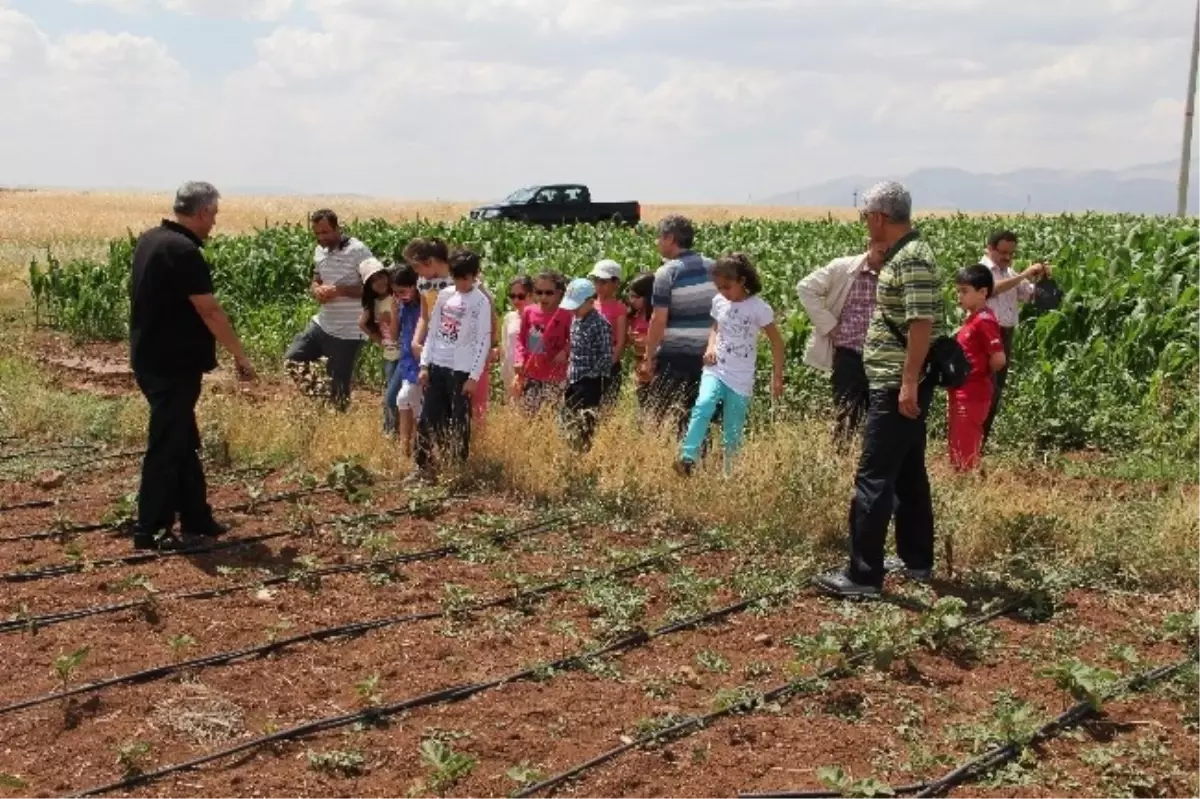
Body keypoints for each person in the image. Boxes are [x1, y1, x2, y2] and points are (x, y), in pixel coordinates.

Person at [814, 181, 943, 599]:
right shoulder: (905, 256)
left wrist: (907, 382)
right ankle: (916, 560)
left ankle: (863, 576)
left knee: (873, 478)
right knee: (907, 474)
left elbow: (921, 324)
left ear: (879, 217)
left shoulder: (912, 260)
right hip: (896, 383)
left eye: (866, 214)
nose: (865, 222)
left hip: (896, 387)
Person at [128, 181, 256, 551]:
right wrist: (240, 355)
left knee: (184, 438)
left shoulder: (151, 239)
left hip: (150, 357)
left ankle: (196, 516)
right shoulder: (184, 251)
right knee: (167, 445)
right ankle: (150, 530)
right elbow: (209, 310)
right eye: (213, 215)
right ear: (201, 213)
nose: (214, 223)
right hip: (172, 364)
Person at [676, 253, 784, 476]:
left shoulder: (758, 308)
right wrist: (710, 347)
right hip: (717, 368)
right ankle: (687, 458)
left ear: (742, 281)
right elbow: (716, 327)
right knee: (703, 404)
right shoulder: (719, 301)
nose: (723, 292)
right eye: (719, 287)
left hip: (741, 376)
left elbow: (777, 342)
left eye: (727, 287)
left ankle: (729, 474)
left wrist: (777, 376)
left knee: (732, 429)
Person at [796, 240, 888, 446]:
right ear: (869, 243)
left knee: (880, 421)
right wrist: (829, 326)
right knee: (846, 415)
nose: (885, 251)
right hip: (850, 354)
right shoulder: (843, 268)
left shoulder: (897, 276)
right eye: (881, 246)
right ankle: (841, 461)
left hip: (884, 358)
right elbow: (805, 288)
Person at [412, 250, 492, 482]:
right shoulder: (445, 295)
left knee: (459, 421)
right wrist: (425, 364)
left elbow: (483, 340)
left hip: (461, 370)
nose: (461, 283)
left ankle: (456, 470)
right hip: (438, 364)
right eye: (457, 278)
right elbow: (434, 331)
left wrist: (474, 376)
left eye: (466, 279)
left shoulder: (480, 302)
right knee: (429, 418)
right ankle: (423, 468)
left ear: (475, 276)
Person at [284, 209, 371, 411]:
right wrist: (317, 289)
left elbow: (374, 288)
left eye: (326, 232)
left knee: (339, 389)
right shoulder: (319, 251)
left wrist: (339, 290)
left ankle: (338, 425)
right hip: (322, 324)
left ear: (338, 229)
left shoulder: (358, 250)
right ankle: (320, 400)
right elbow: (316, 279)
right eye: (317, 233)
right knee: (293, 360)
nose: (321, 238)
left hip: (349, 331)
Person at [639, 215, 717, 439]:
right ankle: (697, 460)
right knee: (699, 413)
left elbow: (659, 319)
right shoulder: (713, 267)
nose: (656, 242)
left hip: (676, 355)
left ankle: (675, 460)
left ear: (670, 238)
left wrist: (649, 356)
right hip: (709, 354)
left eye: (659, 237)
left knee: (666, 412)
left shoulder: (667, 272)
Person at [981, 230, 1049, 443]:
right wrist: (1024, 274)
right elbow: (990, 289)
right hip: (985, 336)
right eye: (1003, 252)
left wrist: (1044, 279)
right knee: (984, 389)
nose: (1007, 257)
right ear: (990, 249)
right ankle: (972, 442)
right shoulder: (981, 270)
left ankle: (981, 440)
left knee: (996, 390)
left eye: (1011, 253)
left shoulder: (1009, 272)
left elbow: (1029, 295)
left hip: (1005, 335)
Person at [949, 265, 1006, 472]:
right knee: (958, 445)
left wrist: (978, 373)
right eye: (958, 291)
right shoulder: (972, 318)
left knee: (965, 450)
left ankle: (966, 486)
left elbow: (998, 359)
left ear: (982, 293)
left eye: (964, 291)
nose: (959, 296)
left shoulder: (984, 321)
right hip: (962, 390)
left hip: (973, 392)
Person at [559, 278, 613, 452]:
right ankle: (571, 450)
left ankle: (584, 453)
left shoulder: (600, 324)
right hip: (573, 378)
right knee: (568, 418)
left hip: (590, 382)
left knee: (586, 423)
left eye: (576, 306)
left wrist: (590, 376)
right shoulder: (576, 320)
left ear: (591, 301)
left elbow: (605, 355)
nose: (573, 310)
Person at [513, 271, 571, 414]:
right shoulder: (529, 312)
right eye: (539, 292)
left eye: (549, 293)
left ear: (559, 293)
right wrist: (519, 359)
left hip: (555, 376)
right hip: (531, 374)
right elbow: (521, 339)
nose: (543, 297)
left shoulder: (566, 314)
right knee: (529, 416)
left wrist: (565, 352)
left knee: (551, 416)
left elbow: (574, 338)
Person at [383, 265, 423, 454]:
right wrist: (394, 309)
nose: (399, 296)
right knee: (397, 399)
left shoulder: (424, 305)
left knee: (409, 402)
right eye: (395, 293)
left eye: (403, 291)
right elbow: (393, 335)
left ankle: (410, 446)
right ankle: (405, 445)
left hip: (420, 361)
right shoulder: (402, 306)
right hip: (406, 361)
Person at [357, 258, 397, 432]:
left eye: (381, 276)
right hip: (389, 355)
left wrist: (391, 319)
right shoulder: (374, 304)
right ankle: (391, 431)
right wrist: (379, 340)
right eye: (373, 281)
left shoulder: (397, 296)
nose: (379, 282)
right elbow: (362, 323)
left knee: (393, 396)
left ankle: (391, 431)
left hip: (404, 354)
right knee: (392, 395)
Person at [589, 259, 628, 404]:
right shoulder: (589, 305)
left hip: (608, 364)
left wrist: (611, 362)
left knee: (607, 406)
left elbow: (620, 340)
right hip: (588, 362)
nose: (599, 286)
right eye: (596, 281)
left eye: (604, 282)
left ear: (616, 283)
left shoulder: (619, 308)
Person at [501, 276, 534, 401]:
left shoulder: (538, 319)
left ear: (531, 295)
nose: (516, 300)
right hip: (510, 373)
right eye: (512, 296)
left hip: (529, 374)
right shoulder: (509, 317)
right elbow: (504, 346)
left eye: (521, 296)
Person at [626, 272, 655, 411]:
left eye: (636, 297)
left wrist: (647, 340)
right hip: (639, 368)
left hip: (654, 367)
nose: (632, 300)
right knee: (642, 405)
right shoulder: (633, 316)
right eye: (630, 296)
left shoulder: (656, 318)